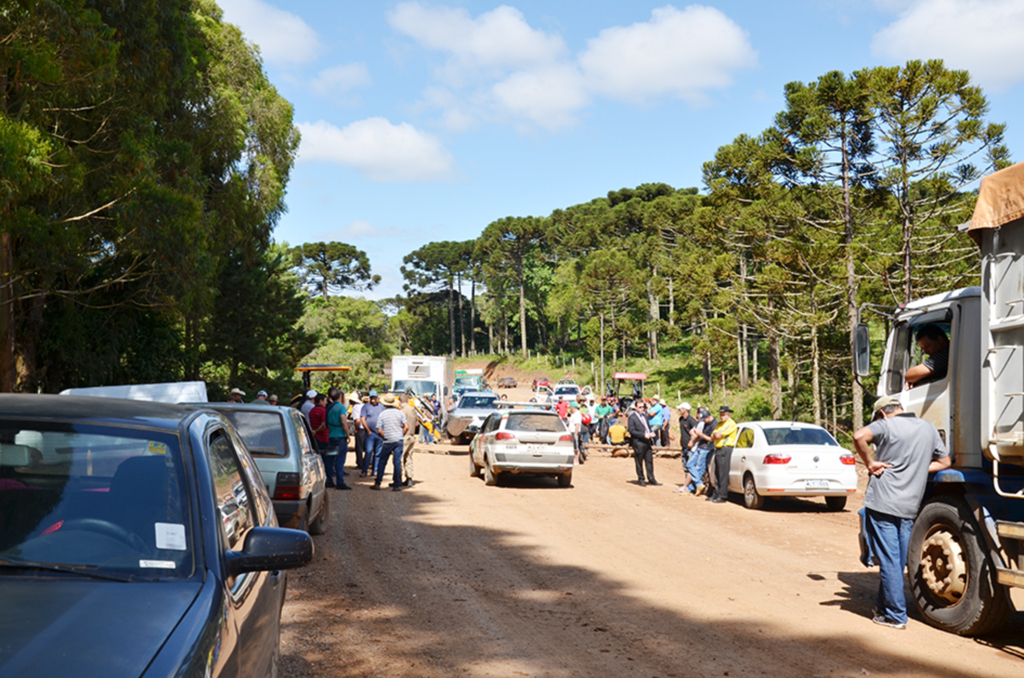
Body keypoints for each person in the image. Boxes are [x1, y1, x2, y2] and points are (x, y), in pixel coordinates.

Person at [852, 395, 950, 630]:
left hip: (883, 502)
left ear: (882, 413)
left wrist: (869, 462)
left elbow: (858, 436)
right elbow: (945, 462)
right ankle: (883, 606)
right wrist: (917, 468)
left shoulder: (886, 424)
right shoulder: (928, 428)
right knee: (896, 561)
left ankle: (895, 615)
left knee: (888, 559)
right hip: (910, 506)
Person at [374, 394, 408, 491]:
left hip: (388, 440)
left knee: (382, 461)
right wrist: (401, 435)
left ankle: (378, 483)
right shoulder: (400, 413)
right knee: (397, 462)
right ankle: (397, 484)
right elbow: (407, 426)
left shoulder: (382, 414)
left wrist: (385, 437)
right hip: (398, 440)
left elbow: (379, 429)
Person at [708, 406, 738, 504]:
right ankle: (716, 493)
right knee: (717, 472)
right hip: (718, 449)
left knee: (723, 473)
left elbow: (718, 435)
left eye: (723, 414)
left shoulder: (731, 424)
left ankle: (722, 495)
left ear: (728, 414)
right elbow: (713, 435)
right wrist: (716, 435)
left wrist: (716, 435)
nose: (721, 416)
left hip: (725, 449)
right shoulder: (720, 424)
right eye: (721, 414)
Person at [685, 408, 717, 495]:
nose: (703, 421)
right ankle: (698, 484)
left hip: (707, 449)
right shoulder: (706, 423)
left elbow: (711, 439)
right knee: (689, 464)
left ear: (709, 417)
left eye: (704, 419)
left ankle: (690, 489)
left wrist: (701, 434)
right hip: (700, 446)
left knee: (700, 469)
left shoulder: (714, 425)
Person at [627, 401, 659, 486]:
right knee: (639, 461)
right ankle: (641, 478)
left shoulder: (645, 416)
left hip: (647, 442)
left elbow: (647, 427)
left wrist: (651, 433)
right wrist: (643, 435)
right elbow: (631, 430)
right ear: (636, 408)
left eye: (643, 407)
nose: (642, 409)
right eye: (640, 407)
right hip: (638, 442)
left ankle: (651, 478)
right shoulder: (632, 417)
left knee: (649, 461)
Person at [326, 388, 351, 490]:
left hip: (331, 435)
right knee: (340, 461)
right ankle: (340, 482)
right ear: (339, 397)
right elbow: (343, 421)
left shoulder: (329, 407)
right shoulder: (341, 408)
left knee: (330, 460)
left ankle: (330, 480)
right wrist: (348, 435)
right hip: (340, 436)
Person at [359, 391, 386, 478]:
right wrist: (368, 430)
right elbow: (363, 419)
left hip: (379, 433)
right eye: (372, 397)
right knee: (369, 451)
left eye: (375, 397)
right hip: (370, 434)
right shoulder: (365, 407)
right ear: (370, 398)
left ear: (377, 398)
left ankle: (375, 470)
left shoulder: (381, 407)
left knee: (378, 453)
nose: (373, 399)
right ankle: (364, 470)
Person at [399, 394, 419, 486]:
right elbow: (416, 424)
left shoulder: (403, 411)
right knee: (408, 457)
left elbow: (401, 424)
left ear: (400, 401)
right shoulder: (413, 410)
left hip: (405, 436)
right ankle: (409, 478)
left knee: (398, 458)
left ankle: (398, 478)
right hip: (412, 435)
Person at [308, 392, 330, 464]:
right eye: (325, 400)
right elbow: (323, 425)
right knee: (326, 459)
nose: (326, 403)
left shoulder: (312, 411)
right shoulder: (324, 411)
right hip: (324, 437)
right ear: (320, 401)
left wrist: (314, 432)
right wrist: (316, 431)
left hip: (315, 438)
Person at [677, 401, 697, 475]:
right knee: (685, 464)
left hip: (690, 447)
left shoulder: (691, 420)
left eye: (681, 409)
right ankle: (687, 482)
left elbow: (696, 432)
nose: (679, 410)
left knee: (690, 465)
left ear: (685, 409)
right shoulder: (681, 419)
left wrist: (691, 441)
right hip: (684, 445)